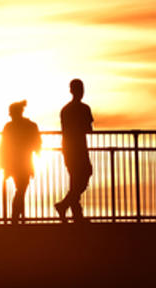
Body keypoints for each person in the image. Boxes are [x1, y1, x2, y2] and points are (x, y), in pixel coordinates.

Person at [54, 79, 93, 223]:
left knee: (75, 180)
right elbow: (89, 129)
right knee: (84, 175)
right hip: (79, 148)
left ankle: (75, 213)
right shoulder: (84, 108)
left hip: (68, 147)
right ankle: (65, 206)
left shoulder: (66, 109)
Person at [0, 100, 42, 225]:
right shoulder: (30, 125)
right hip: (24, 163)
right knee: (21, 190)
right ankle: (16, 218)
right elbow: (37, 142)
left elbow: (2, 146)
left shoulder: (9, 127)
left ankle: (17, 218)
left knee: (20, 189)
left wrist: (2, 163)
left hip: (13, 164)